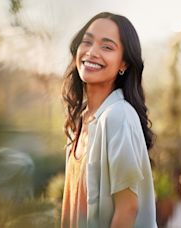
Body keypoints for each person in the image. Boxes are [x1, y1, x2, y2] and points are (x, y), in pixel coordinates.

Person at [61, 12, 157, 228]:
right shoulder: (80, 119)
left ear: (123, 63)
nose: (92, 52)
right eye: (87, 42)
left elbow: (128, 209)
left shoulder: (117, 116)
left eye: (107, 47)